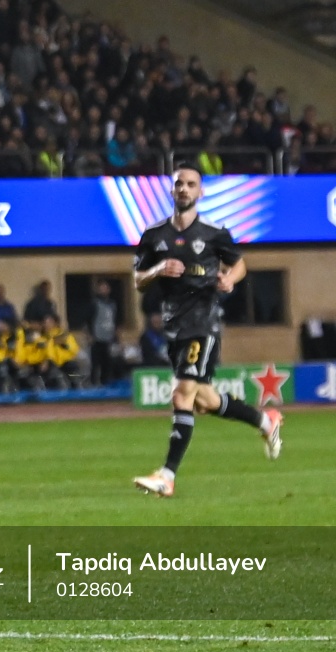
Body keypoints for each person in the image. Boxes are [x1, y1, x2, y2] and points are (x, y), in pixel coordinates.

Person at [132, 163, 282, 498]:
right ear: (172, 191)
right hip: (174, 327)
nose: (183, 189)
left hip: (204, 322)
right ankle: (265, 422)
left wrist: (230, 278)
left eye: (190, 184)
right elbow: (138, 280)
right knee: (204, 400)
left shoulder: (213, 233)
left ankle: (167, 476)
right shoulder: (154, 235)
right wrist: (157, 269)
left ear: (201, 192)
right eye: (179, 184)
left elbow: (239, 263)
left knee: (181, 394)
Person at [87, 279, 118, 386]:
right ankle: (93, 384)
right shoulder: (94, 303)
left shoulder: (112, 304)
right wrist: (90, 335)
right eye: (102, 287)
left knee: (107, 363)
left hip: (108, 338)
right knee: (95, 364)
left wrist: (116, 337)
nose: (104, 290)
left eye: (106, 287)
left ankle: (106, 384)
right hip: (97, 338)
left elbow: (115, 321)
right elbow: (88, 319)